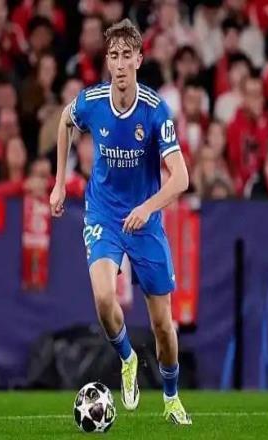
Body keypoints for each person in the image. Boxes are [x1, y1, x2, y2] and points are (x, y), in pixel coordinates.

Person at [50, 19, 191, 425]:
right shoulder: (92, 101)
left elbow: (181, 178)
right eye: (113, 55)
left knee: (163, 326)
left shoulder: (155, 110)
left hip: (145, 221)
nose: (120, 63)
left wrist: (148, 207)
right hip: (104, 214)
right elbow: (64, 121)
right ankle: (127, 358)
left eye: (127, 55)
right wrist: (58, 184)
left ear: (139, 60)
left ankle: (171, 398)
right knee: (103, 297)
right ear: (107, 62)